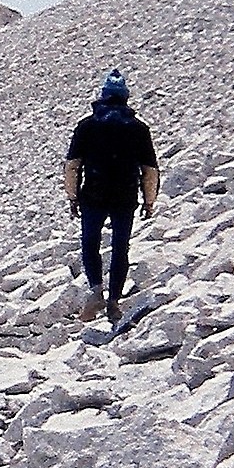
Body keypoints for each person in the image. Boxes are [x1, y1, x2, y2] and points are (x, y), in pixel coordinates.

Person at [63, 70, 159, 324]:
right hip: (124, 196)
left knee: (90, 242)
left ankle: (96, 289)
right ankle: (114, 300)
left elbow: (73, 165)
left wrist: (72, 197)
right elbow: (149, 170)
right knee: (120, 247)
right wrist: (149, 202)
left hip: (93, 193)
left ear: (103, 96)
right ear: (125, 98)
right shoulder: (139, 129)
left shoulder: (87, 126)